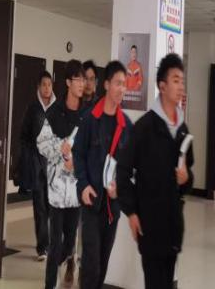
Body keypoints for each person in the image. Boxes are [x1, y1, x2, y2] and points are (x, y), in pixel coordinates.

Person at [117, 53, 194, 289]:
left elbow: (188, 177)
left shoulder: (183, 129)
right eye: (175, 80)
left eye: (182, 81)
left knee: (167, 282)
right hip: (150, 225)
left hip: (173, 225)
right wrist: (131, 212)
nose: (181, 87)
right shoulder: (144, 128)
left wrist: (186, 179)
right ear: (162, 86)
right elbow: (123, 171)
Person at [73, 60, 133, 289]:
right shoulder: (90, 119)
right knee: (91, 264)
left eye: (124, 84)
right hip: (91, 203)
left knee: (102, 263)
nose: (122, 89)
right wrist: (83, 185)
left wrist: (121, 187)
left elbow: (129, 166)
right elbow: (78, 154)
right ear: (106, 85)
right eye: (118, 83)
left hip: (111, 208)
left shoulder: (126, 125)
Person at [37, 60, 87, 289]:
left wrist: (77, 160)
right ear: (68, 82)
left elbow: (91, 148)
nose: (82, 83)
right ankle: (50, 284)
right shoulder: (54, 112)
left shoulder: (86, 114)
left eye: (84, 79)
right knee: (55, 242)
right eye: (78, 79)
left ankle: (68, 259)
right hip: (57, 190)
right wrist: (60, 148)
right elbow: (42, 144)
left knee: (69, 243)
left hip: (76, 190)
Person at [18, 71, 56, 262]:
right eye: (44, 85)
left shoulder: (58, 108)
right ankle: (43, 248)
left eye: (49, 84)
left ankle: (53, 242)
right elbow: (23, 136)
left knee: (52, 206)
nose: (47, 88)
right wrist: (29, 155)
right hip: (37, 164)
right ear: (38, 87)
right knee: (40, 206)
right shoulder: (33, 108)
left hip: (54, 165)